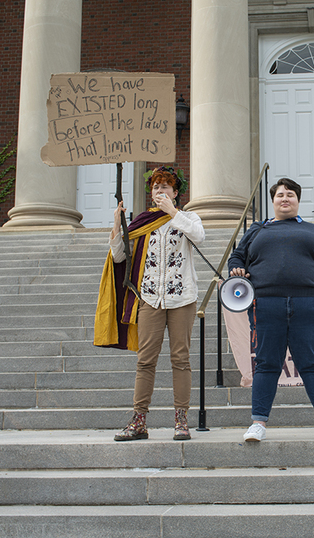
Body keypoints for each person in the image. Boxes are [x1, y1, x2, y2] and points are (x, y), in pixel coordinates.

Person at [228, 177, 314, 442]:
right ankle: (258, 424)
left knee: (313, 365)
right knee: (267, 365)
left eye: (290, 195)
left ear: (298, 201)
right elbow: (237, 257)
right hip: (266, 305)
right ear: (273, 201)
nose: (285, 199)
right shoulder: (257, 230)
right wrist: (237, 269)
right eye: (280, 195)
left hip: (309, 306)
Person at [95, 166, 205, 441]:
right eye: (156, 187)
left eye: (166, 186)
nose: (160, 191)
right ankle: (139, 420)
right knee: (145, 361)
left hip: (182, 298)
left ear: (176, 192)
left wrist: (172, 212)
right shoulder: (143, 222)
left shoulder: (188, 217)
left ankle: (181, 420)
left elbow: (198, 236)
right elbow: (120, 257)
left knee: (180, 359)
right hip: (149, 299)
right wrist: (117, 224)